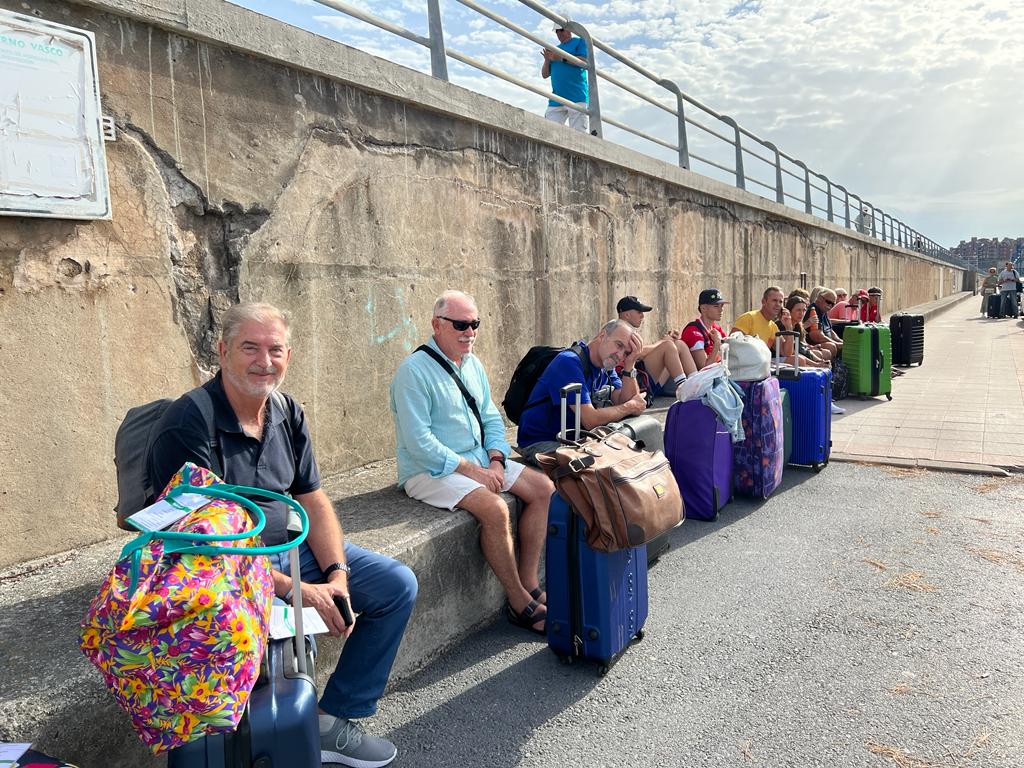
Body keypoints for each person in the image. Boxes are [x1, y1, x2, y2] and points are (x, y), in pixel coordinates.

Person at [148, 303, 416, 768]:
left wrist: (336, 576)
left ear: (289, 354)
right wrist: (297, 591)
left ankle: (333, 722)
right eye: (249, 347)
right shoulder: (189, 422)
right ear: (223, 350)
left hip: (287, 552)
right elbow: (202, 547)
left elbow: (311, 496)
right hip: (219, 566)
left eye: (275, 349)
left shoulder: (287, 410)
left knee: (396, 586)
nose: (264, 361)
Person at [390, 290, 555, 636]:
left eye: (475, 324)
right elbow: (420, 444)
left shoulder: (473, 364)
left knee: (544, 487)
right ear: (437, 325)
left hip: (479, 460)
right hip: (430, 470)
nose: (470, 332)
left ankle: (528, 581)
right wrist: (472, 471)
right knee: (494, 509)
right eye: (461, 325)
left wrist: (496, 460)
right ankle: (517, 601)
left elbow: (492, 417)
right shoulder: (413, 372)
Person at [516, 319, 646, 463]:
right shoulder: (569, 362)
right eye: (619, 345)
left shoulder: (605, 367)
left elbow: (626, 400)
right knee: (592, 471)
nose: (620, 355)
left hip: (573, 440)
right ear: (602, 336)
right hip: (540, 441)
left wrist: (630, 364)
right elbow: (590, 419)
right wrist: (630, 407)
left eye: (626, 353)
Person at [615, 295, 696, 396]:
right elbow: (639, 353)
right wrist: (663, 341)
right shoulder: (618, 329)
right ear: (627, 315)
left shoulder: (628, 329)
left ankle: (697, 384)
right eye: (639, 312)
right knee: (668, 346)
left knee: (678, 344)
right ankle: (685, 390)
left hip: (642, 378)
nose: (642, 316)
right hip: (633, 382)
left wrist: (668, 339)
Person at [541, 25, 589, 132]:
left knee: (579, 135)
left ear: (569, 30)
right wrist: (547, 60)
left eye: (561, 30)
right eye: (557, 31)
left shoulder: (579, 42)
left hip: (576, 96)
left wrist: (561, 58)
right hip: (556, 99)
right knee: (549, 132)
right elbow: (545, 75)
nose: (559, 33)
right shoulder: (555, 49)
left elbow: (584, 62)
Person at [731, 286, 796, 362]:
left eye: (780, 302)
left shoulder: (773, 326)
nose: (778, 304)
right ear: (763, 302)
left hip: (761, 365)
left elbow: (786, 352)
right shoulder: (749, 318)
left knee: (796, 360)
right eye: (774, 300)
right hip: (745, 366)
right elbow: (732, 344)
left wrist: (789, 327)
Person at [679, 288, 729, 369]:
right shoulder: (693, 331)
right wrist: (717, 343)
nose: (721, 310)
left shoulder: (716, 328)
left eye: (722, 306)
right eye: (716, 306)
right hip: (699, 379)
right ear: (703, 308)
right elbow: (704, 368)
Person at [782, 295, 830, 367]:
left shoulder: (798, 325)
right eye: (798, 310)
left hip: (799, 354)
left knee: (825, 354)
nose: (801, 314)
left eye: (804, 310)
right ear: (789, 311)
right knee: (803, 362)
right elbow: (792, 352)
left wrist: (818, 360)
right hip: (784, 357)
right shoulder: (783, 325)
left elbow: (803, 346)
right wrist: (816, 364)